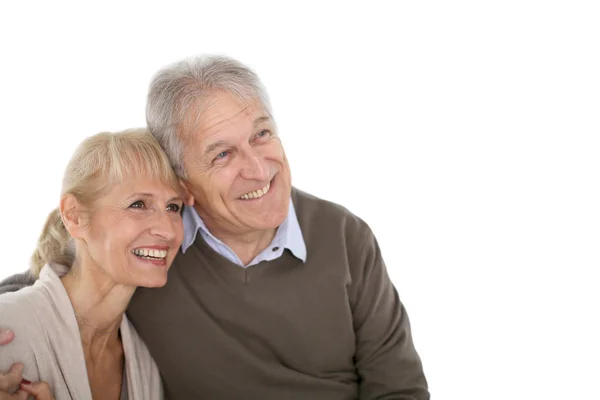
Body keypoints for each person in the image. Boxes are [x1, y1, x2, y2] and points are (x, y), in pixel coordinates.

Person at [1, 55, 430, 399]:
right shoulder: (156, 253)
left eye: (262, 133)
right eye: (222, 155)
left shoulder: (344, 235)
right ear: (183, 182)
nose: (259, 169)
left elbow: (400, 387)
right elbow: (59, 278)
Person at [0, 129, 184, 399]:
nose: (168, 231)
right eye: (138, 204)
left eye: (173, 207)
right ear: (74, 217)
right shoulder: (8, 328)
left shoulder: (146, 365)